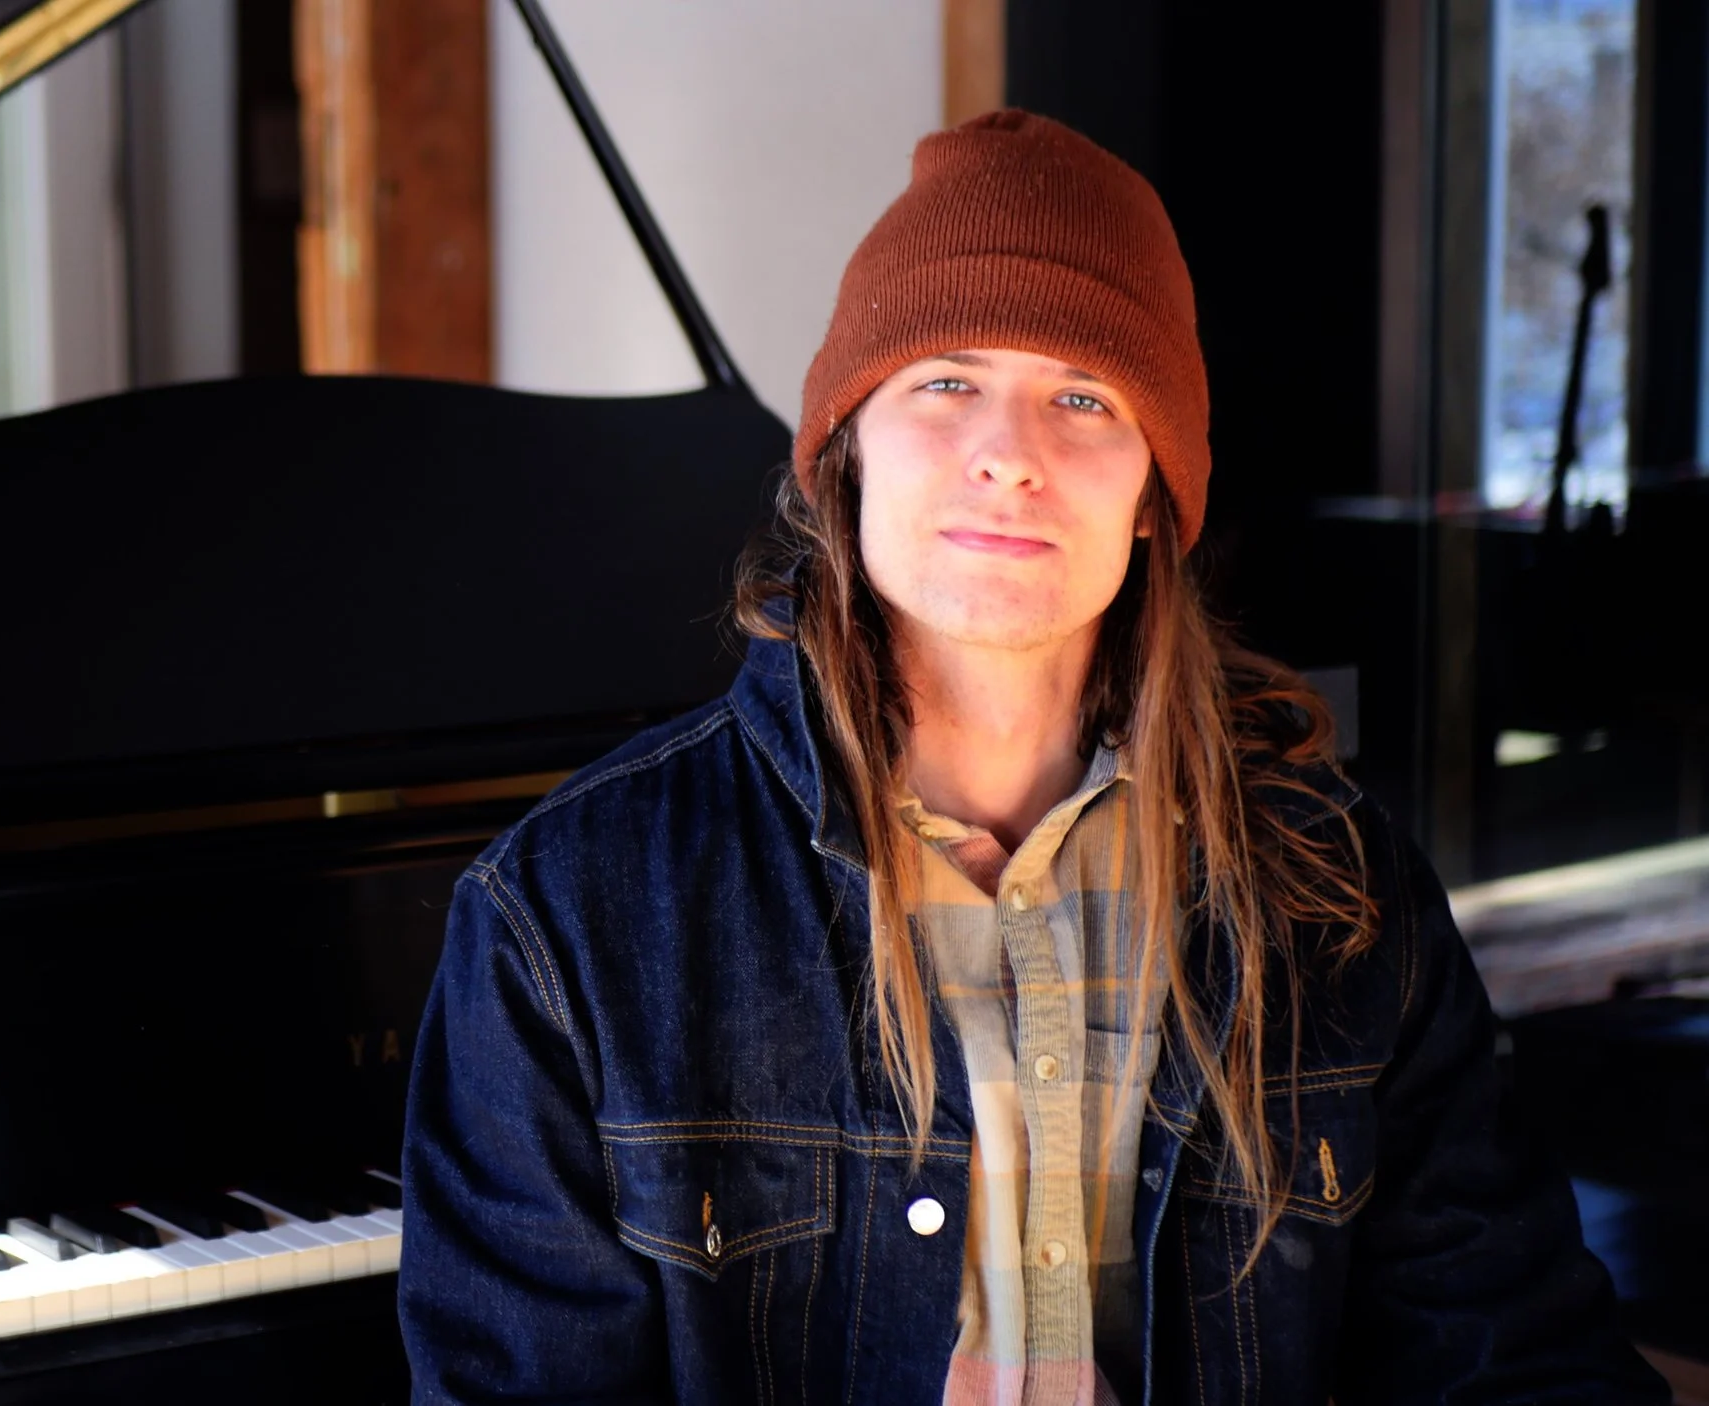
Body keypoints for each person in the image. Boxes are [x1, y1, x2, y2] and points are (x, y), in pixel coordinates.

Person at [397, 110, 1665, 1405]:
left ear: (1153, 498)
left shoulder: (1339, 894)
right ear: (846, 450)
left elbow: (1525, 1365)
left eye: (1083, 396)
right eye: (945, 379)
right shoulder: (564, 912)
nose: (1010, 452)